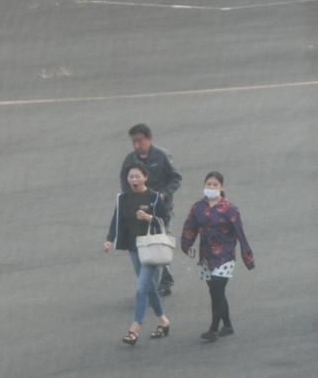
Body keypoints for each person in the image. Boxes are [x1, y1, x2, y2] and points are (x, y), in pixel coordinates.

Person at [180, 171, 255, 342]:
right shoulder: (198, 207)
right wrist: (187, 245)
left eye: (215, 185)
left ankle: (213, 328)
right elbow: (190, 227)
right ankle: (227, 325)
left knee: (216, 289)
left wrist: (247, 257)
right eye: (209, 184)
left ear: (221, 187)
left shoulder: (230, 209)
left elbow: (240, 233)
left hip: (225, 256)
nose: (211, 187)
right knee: (216, 292)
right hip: (206, 256)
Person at [104, 161, 171, 346]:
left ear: (145, 177)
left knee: (141, 289)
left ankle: (134, 328)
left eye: (137, 176)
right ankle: (163, 321)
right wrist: (109, 239)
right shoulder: (123, 198)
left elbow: (165, 219)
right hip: (134, 248)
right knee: (150, 288)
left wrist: (149, 217)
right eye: (131, 176)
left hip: (151, 248)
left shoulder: (154, 197)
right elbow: (116, 219)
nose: (134, 180)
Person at [120, 123, 183, 297]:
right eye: (134, 141)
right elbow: (124, 180)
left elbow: (176, 178)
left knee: (160, 242)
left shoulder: (162, 156)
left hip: (161, 209)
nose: (137, 145)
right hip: (139, 210)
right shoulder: (130, 160)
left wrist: (164, 195)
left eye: (140, 141)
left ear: (149, 139)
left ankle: (165, 281)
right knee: (142, 244)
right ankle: (149, 282)